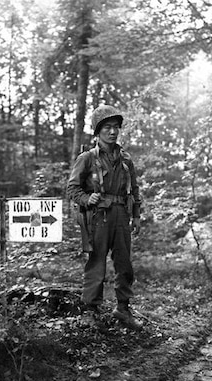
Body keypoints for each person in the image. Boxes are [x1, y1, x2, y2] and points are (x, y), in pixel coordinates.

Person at [67, 104, 143, 330]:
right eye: (107, 127)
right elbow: (72, 189)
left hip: (121, 215)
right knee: (96, 264)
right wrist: (86, 199)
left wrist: (136, 217)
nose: (112, 132)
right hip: (98, 216)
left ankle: (123, 308)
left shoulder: (126, 160)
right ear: (98, 131)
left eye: (116, 127)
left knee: (124, 264)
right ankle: (90, 311)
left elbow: (135, 190)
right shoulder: (87, 158)